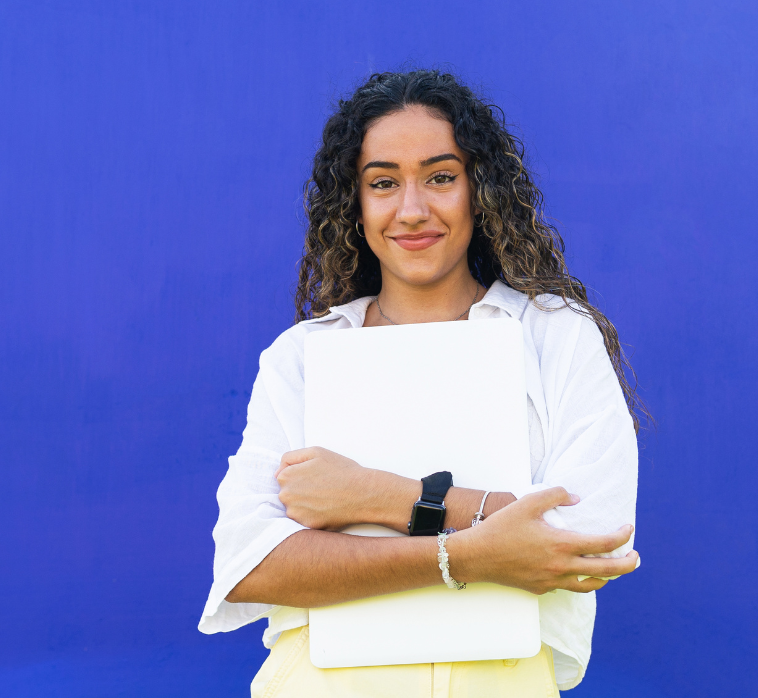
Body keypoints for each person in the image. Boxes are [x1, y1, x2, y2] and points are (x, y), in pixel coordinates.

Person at [198, 70, 646, 696]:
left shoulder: (556, 338)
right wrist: (476, 549)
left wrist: (374, 495)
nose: (412, 209)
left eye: (440, 177)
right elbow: (252, 564)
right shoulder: (303, 357)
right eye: (383, 183)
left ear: (478, 190)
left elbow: (583, 542)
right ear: (354, 206)